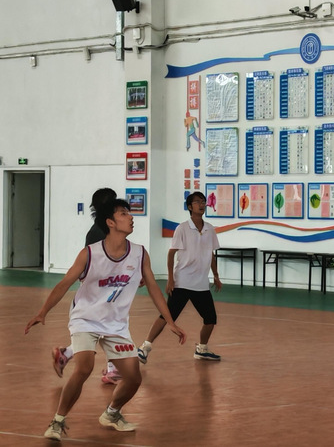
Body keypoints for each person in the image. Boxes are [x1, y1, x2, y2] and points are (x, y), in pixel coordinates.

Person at [25, 199, 186, 441]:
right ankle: (57, 421)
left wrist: (170, 321)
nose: (130, 217)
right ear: (110, 222)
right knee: (84, 367)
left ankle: (112, 414)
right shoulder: (90, 253)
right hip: (85, 319)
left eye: (129, 213)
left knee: (133, 378)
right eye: (123, 214)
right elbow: (65, 283)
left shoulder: (139, 253)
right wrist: (42, 311)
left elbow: (153, 286)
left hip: (115, 324)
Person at [138, 192, 223, 363]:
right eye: (197, 202)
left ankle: (202, 349)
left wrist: (216, 275)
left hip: (201, 284)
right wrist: (171, 279)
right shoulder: (182, 228)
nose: (202, 204)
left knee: (210, 319)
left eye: (203, 201)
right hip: (182, 282)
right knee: (167, 316)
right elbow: (171, 254)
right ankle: (144, 347)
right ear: (190, 207)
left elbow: (211, 254)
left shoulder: (209, 229)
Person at [51, 188, 125, 385]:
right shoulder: (98, 233)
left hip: (106, 290)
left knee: (105, 328)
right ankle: (113, 369)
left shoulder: (105, 229)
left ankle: (66, 354)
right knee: (111, 327)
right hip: (100, 292)